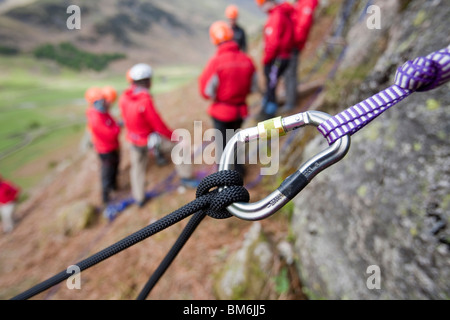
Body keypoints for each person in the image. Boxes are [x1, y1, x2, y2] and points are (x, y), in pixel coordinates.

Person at [120, 63, 198, 207]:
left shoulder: (124, 98)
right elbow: (158, 125)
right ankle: (186, 177)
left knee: (137, 168)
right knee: (178, 147)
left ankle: (139, 198)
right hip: (148, 139)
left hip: (133, 140)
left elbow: (126, 119)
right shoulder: (145, 100)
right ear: (147, 81)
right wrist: (176, 137)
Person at [198, 21, 257, 174]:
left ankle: (225, 177)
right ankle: (239, 170)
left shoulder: (215, 62)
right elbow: (253, 87)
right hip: (240, 111)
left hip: (221, 112)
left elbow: (205, 91)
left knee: (223, 146)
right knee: (235, 140)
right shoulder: (247, 60)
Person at [255, 0, 295, 120]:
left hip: (276, 58)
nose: (261, 9)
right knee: (271, 84)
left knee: (271, 85)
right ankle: (267, 107)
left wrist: (266, 60)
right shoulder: (280, 14)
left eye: (262, 5)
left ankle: (269, 113)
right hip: (282, 56)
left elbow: (273, 43)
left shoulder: (276, 16)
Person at [85, 86, 121, 205]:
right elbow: (110, 134)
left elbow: (110, 124)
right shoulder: (96, 117)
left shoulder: (101, 113)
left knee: (113, 168)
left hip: (110, 147)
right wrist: (117, 127)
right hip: (106, 149)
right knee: (107, 171)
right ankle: (106, 197)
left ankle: (113, 188)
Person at [282, 0, 319, 112]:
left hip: (293, 44)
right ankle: (289, 99)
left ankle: (291, 102)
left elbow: (303, 24)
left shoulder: (307, 3)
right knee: (288, 73)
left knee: (290, 73)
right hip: (291, 43)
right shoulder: (301, 3)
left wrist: (294, 41)